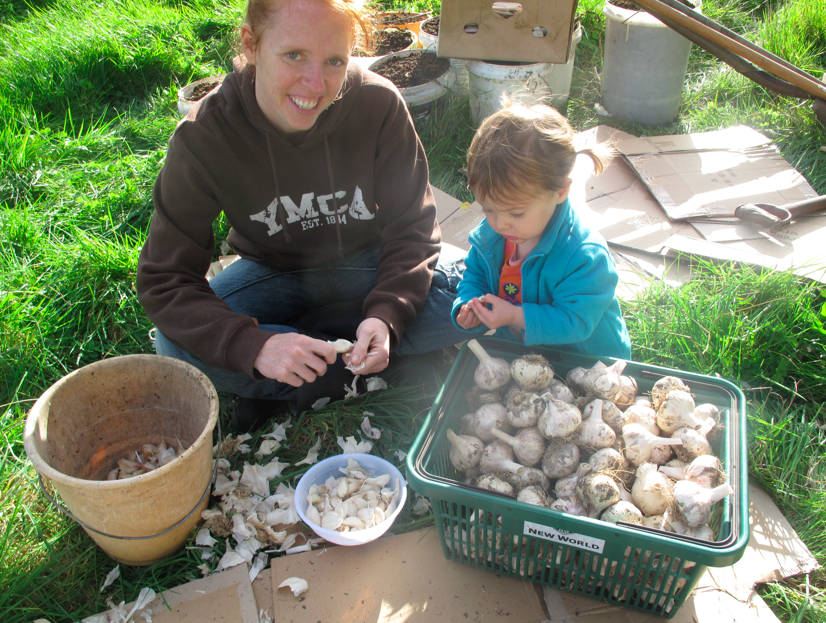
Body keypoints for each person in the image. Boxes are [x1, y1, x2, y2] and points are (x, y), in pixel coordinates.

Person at [136, 0, 466, 429]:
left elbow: (413, 229)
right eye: (294, 55)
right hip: (276, 273)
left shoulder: (378, 104)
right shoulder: (206, 135)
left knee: (485, 291)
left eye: (334, 61)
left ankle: (320, 362)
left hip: (370, 262)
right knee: (175, 347)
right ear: (251, 44)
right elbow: (165, 279)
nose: (315, 84)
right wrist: (254, 346)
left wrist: (387, 315)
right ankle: (359, 361)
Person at [451, 102, 631, 359]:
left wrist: (515, 316)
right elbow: (475, 275)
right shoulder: (492, 238)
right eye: (488, 209)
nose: (500, 224)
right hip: (524, 354)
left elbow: (576, 321)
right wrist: (468, 304)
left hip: (584, 362)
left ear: (560, 192)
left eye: (516, 213)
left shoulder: (584, 255)